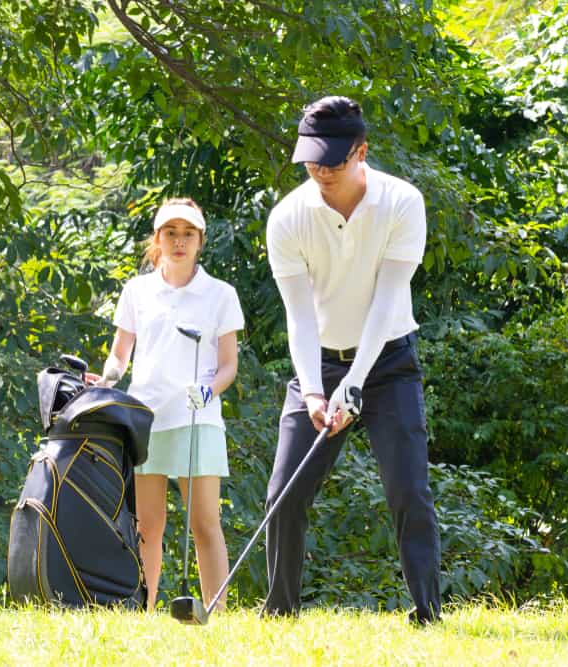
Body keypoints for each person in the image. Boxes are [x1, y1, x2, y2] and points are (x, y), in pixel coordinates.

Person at [263, 96, 441, 623]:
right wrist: (315, 390)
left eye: (333, 163)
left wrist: (356, 383)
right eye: (312, 162)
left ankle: (428, 612)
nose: (320, 173)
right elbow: (299, 314)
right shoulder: (288, 218)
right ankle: (279, 613)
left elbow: (388, 302)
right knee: (284, 494)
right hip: (317, 364)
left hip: (387, 364)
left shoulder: (402, 202)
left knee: (409, 488)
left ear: (361, 151)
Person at [93, 197, 244, 612]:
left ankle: (215, 614)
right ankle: (145, 609)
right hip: (146, 419)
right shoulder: (137, 290)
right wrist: (106, 379)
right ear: (158, 239)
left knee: (205, 524)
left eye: (188, 234)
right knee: (148, 526)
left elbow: (228, 365)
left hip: (198, 418)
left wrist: (210, 389)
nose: (180, 241)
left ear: (200, 241)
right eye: (171, 233)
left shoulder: (220, 294)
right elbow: (120, 354)